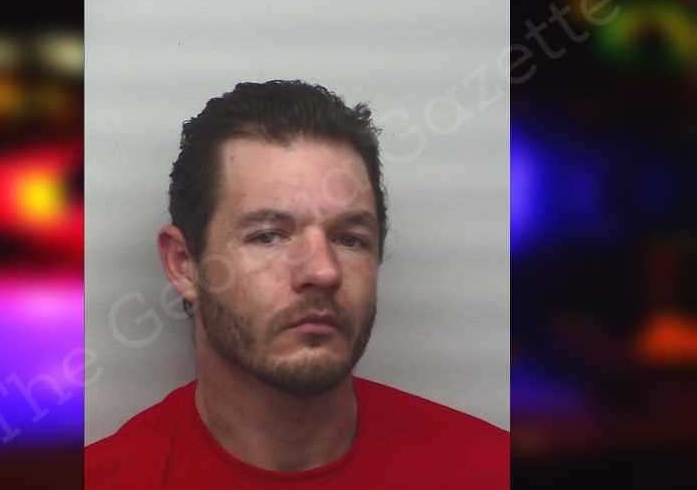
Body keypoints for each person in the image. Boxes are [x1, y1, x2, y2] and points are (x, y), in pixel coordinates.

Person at [85, 80, 509, 489]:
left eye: (350, 239)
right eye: (268, 236)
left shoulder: (491, 471)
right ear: (184, 266)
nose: (323, 271)